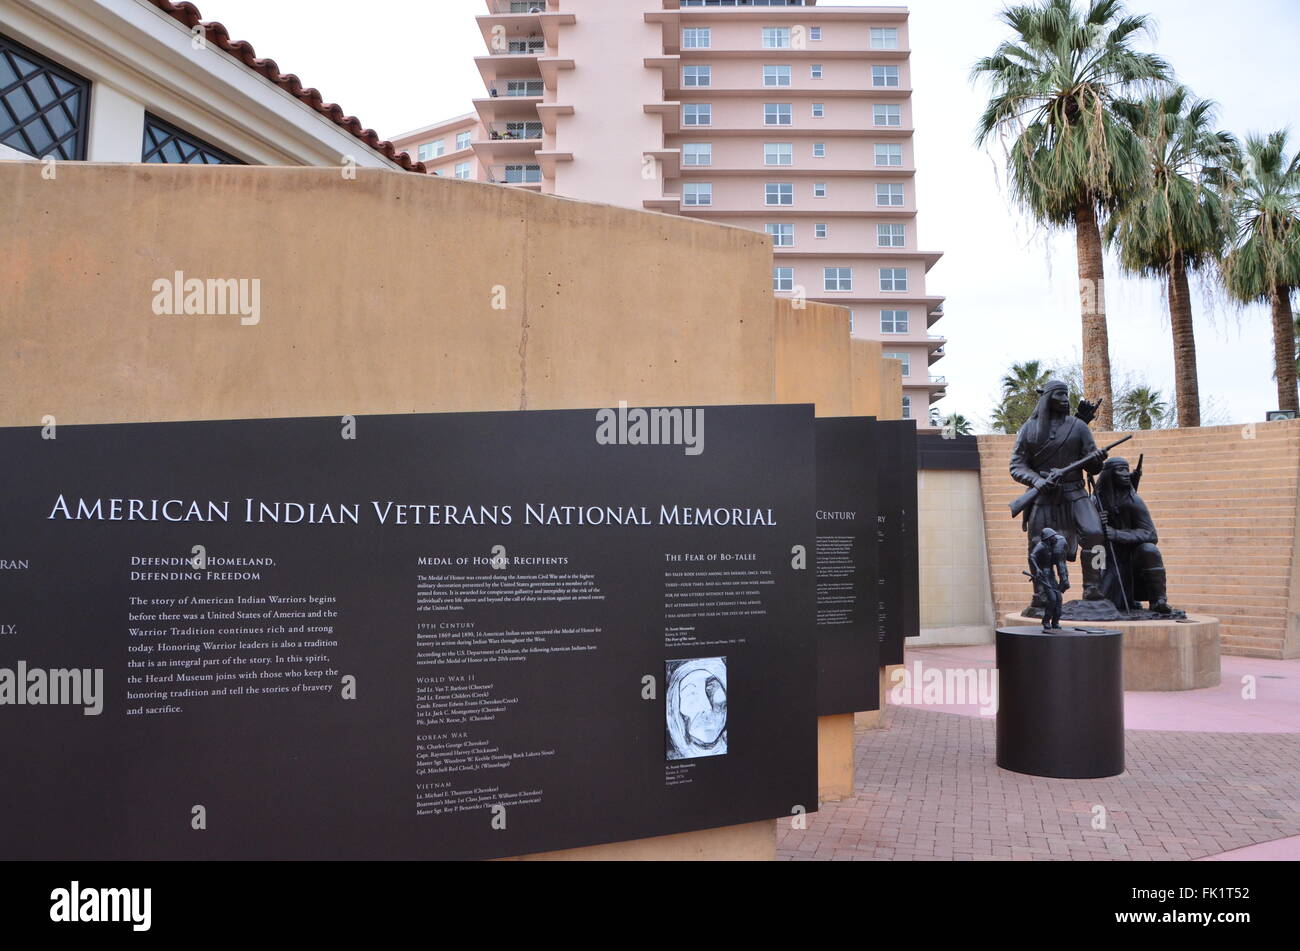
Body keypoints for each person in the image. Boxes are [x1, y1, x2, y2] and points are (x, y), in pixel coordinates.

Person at [1009, 380, 1109, 607]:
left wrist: (1097, 461)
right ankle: (1044, 592)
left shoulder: (1079, 427)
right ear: (1047, 398)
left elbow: (1093, 468)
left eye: (1067, 395)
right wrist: (1037, 480)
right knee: (1038, 544)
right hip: (1044, 496)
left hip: (1075, 492)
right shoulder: (1028, 429)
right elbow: (1016, 466)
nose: (1065, 399)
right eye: (1060, 395)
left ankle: (1093, 587)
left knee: (1095, 534)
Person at [1095, 457, 1172, 614]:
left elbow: (1150, 534)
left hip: (1130, 556)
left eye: (1126, 469)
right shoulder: (1095, 501)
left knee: (1149, 550)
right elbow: (1085, 535)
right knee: (1096, 553)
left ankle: (1158, 600)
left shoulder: (1133, 500)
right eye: (1120, 470)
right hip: (1105, 556)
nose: (1126, 474)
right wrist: (1096, 524)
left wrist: (1116, 534)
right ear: (1109, 474)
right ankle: (1093, 589)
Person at [1028, 527, 1069, 630]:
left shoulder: (1053, 545)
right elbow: (1032, 556)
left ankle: (1055, 622)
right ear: (1048, 538)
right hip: (1044, 576)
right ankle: (1046, 621)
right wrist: (1037, 569)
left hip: (1052, 575)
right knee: (1052, 599)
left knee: (1059, 599)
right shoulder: (1041, 546)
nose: (1055, 538)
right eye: (1052, 537)